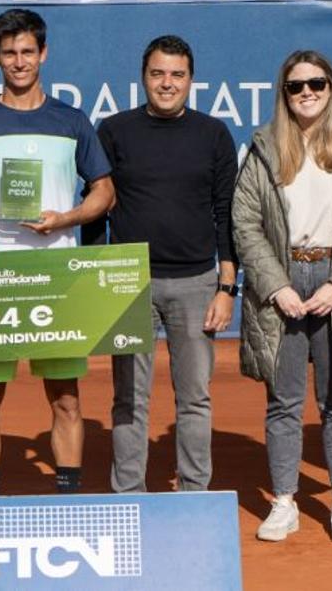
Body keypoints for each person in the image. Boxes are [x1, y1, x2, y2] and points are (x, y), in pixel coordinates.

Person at [0, 8, 114, 495]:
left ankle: (67, 497)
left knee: (66, 400)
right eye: (8, 53)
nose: (19, 62)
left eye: (27, 52)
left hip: (56, 276)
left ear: (44, 54)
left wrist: (66, 219)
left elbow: (103, 190)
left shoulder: (71, 121)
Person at [233, 50, 332, 544]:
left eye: (316, 85)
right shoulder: (262, 149)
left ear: (331, 89)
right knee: (282, 403)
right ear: (283, 94)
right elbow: (245, 223)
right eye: (296, 86)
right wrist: (276, 284)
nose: (307, 93)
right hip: (279, 283)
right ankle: (284, 502)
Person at [83, 35, 238, 493]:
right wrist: (96, 278)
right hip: (130, 284)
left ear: (190, 80)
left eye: (177, 75)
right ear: (143, 77)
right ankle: (129, 493)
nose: (166, 83)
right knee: (129, 399)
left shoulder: (213, 134)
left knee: (195, 399)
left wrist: (226, 286)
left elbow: (226, 210)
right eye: (157, 74)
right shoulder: (113, 130)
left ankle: (194, 493)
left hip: (197, 283)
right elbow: (94, 205)